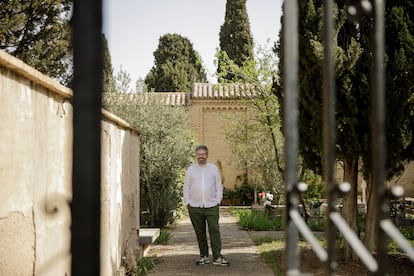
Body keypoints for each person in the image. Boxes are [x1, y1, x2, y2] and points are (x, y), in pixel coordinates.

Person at [183, 145, 230, 266]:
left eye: (203, 154)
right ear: (196, 155)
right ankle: (204, 256)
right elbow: (186, 187)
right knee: (200, 232)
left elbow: (218, 186)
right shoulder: (191, 170)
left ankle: (217, 257)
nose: (201, 156)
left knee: (214, 230)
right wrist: (188, 202)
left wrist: (218, 200)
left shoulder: (213, 169)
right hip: (195, 206)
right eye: (198, 154)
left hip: (211, 205)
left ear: (207, 155)